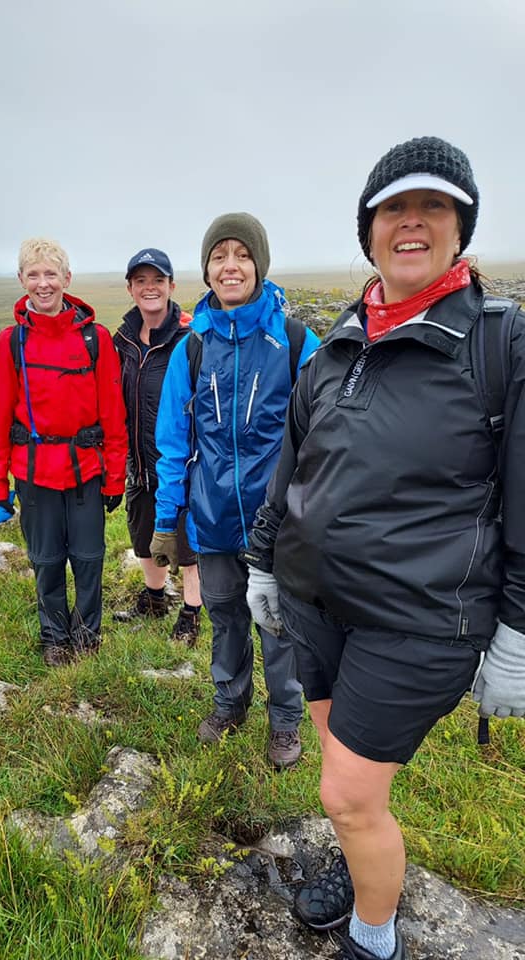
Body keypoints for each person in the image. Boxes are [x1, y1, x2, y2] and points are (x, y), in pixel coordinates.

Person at [244, 136, 525, 959]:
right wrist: (264, 561)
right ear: (368, 232)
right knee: (346, 782)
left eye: (432, 207)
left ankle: (374, 937)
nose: (412, 223)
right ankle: (358, 856)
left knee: (348, 792)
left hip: (420, 621)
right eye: (393, 209)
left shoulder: (500, 345)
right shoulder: (340, 341)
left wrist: (518, 629)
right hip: (315, 603)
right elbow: (295, 464)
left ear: (460, 226)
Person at [151, 213, 320, 769]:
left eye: (241, 255)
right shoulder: (192, 347)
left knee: (278, 623)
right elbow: (174, 440)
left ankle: (286, 722)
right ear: (206, 271)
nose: (230, 266)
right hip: (214, 516)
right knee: (225, 617)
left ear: (259, 265)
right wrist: (167, 519)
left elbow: (327, 433)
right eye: (219, 256)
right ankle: (230, 702)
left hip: (280, 521)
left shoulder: (295, 341)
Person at [0, 238, 127, 666]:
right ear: (21, 280)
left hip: (86, 470)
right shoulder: (11, 343)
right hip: (33, 472)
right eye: (34, 274)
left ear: (67, 278)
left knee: (88, 559)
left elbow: (113, 415)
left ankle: (86, 636)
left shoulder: (95, 338)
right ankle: (54, 637)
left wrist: (115, 476)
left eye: (51, 274)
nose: (43, 284)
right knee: (45, 561)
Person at [112, 248, 203, 645]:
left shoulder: (189, 339)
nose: (150, 288)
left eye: (158, 280)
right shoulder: (123, 341)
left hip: (181, 461)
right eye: (141, 281)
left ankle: (191, 611)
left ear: (171, 286)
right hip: (138, 461)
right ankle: (153, 599)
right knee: (142, 534)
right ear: (130, 288)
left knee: (187, 541)